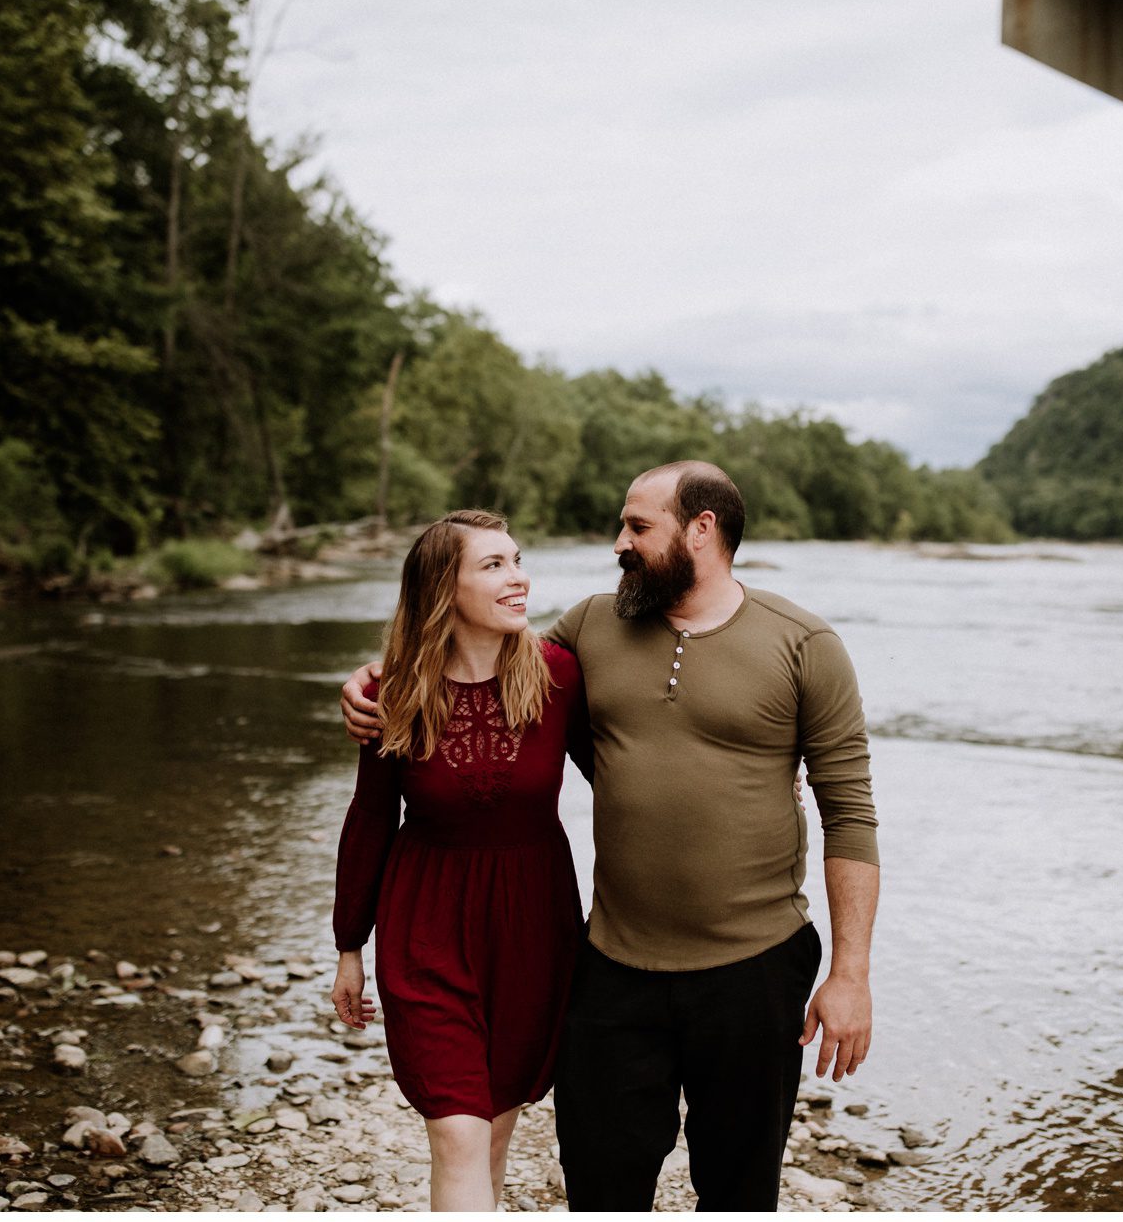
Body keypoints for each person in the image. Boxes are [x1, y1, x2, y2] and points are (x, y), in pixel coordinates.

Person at [343, 461, 880, 1211]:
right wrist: (377, 679)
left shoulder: (803, 644)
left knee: (737, 1190)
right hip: (611, 969)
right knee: (599, 1189)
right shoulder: (593, 628)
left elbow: (849, 811)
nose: (619, 542)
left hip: (755, 969)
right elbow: (477, 660)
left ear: (702, 530)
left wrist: (849, 974)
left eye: (637, 527)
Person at [328, 509, 592, 1211]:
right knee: (458, 1136)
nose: (519, 577)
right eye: (494, 565)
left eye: (517, 559)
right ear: (446, 588)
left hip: (533, 927)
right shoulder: (394, 692)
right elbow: (372, 817)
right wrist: (349, 945)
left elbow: (636, 766)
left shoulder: (560, 675)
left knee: (495, 1132)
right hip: (426, 928)